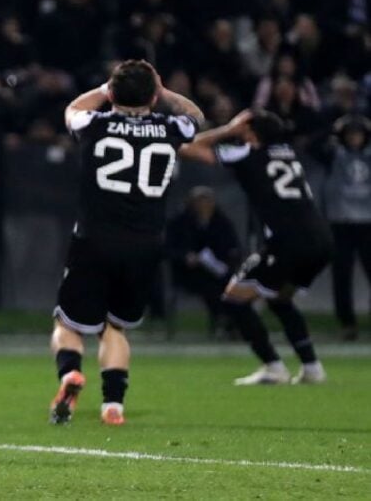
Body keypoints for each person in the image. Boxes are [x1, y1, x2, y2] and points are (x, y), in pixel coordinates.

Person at [50, 59, 203, 426]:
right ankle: (113, 405)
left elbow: (72, 109)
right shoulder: (170, 127)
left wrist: (103, 90)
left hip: (94, 239)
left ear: (113, 94)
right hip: (145, 244)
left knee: (68, 323)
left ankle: (70, 372)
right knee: (114, 327)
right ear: (153, 96)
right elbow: (196, 116)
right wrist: (163, 92)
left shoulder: (95, 124)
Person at [179, 110, 332, 385]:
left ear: (249, 132)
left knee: (234, 298)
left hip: (288, 242)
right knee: (279, 299)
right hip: (321, 240)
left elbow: (185, 147)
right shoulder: (288, 153)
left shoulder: (247, 153)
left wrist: (227, 129)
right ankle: (312, 367)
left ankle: (273, 367)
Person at [317, 115, 371, 341]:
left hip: (368, 223)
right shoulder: (333, 155)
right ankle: (347, 323)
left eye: (358, 134)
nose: (354, 138)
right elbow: (310, 144)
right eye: (349, 134)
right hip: (341, 223)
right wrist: (332, 130)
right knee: (341, 276)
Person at [166, 187, 241, 336]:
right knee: (210, 287)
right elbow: (168, 249)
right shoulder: (180, 223)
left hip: (218, 271)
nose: (204, 204)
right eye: (199, 201)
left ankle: (233, 323)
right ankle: (222, 320)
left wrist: (225, 260)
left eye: (207, 200)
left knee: (232, 285)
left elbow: (233, 247)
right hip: (189, 273)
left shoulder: (222, 223)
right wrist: (186, 257)